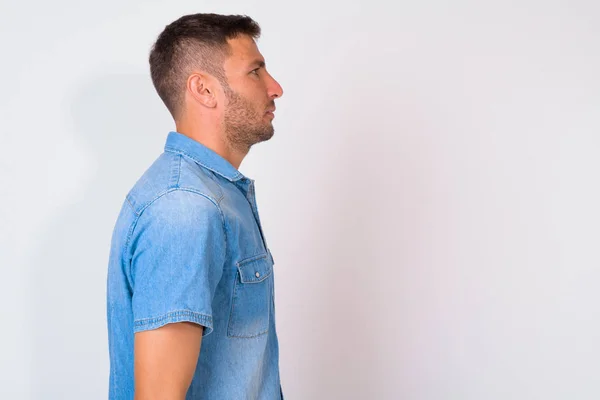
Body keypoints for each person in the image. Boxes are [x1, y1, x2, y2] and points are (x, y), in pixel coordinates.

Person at [106, 13, 284, 400]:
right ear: (204, 90)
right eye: (255, 72)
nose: (276, 88)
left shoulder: (215, 196)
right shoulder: (185, 208)